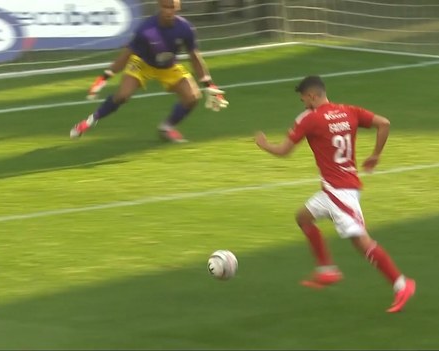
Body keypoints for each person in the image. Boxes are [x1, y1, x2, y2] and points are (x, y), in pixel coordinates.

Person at [254, 75, 416, 313]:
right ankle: (326, 270)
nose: (304, 105)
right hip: (333, 190)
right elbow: (384, 123)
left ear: (311, 95)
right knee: (303, 218)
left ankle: (402, 284)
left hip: (341, 194)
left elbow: (284, 151)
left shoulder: (310, 119)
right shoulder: (349, 111)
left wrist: (264, 144)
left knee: (361, 241)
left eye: (303, 100)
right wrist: (376, 154)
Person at [70, 0, 228, 143]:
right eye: (165, 7)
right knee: (122, 95)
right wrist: (104, 77)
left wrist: (208, 83)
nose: (168, 11)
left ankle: (166, 128)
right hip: (142, 64)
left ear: (177, 7)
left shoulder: (185, 28)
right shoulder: (147, 29)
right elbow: (126, 54)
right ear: (159, 6)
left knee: (192, 97)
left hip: (168, 66)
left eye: (172, 7)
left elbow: (194, 56)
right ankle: (88, 122)